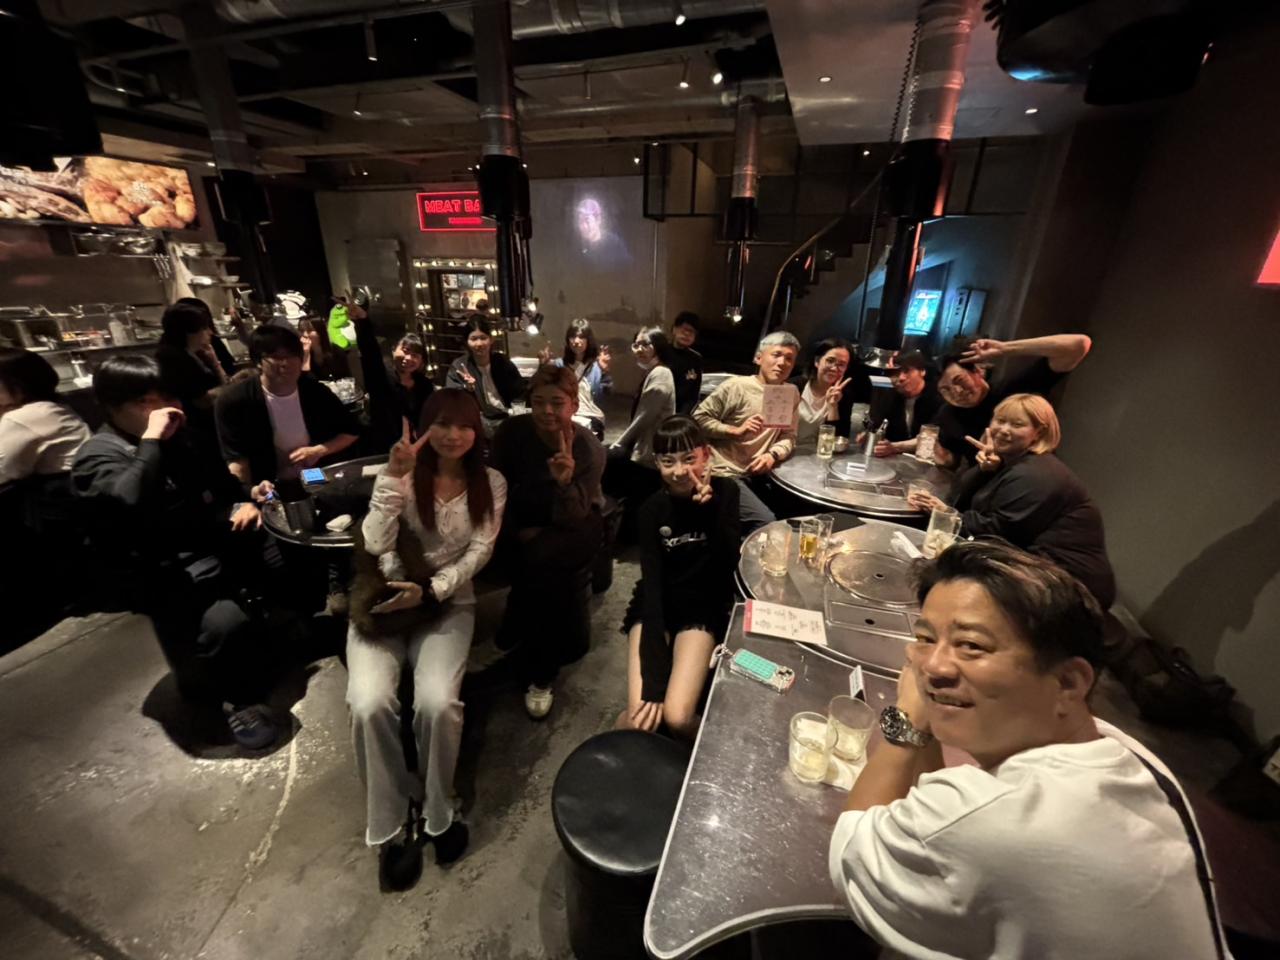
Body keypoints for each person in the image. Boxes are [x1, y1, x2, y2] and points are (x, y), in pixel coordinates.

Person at [829, 539, 1225, 960]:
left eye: (971, 645)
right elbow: (941, 814)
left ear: (1068, 683)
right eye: (925, 638)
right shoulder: (1125, 753)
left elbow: (852, 854)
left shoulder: (1006, 819)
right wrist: (926, 721)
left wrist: (906, 719)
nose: (933, 666)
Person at [71, 355, 282, 749]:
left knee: (283, 553)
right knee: (225, 622)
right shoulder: (99, 454)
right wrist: (151, 441)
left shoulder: (183, 438)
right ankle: (232, 701)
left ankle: (262, 653)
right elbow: (128, 501)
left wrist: (247, 500)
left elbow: (222, 487)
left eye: (168, 397)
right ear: (112, 406)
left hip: (210, 546)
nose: (164, 409)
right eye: (146, 402)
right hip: (160, 571)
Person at [345, 391, 506, 889]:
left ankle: (440, 808)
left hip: (448, 601)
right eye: (441, 424)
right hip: (385, 602)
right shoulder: (398, 472)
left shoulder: (491, 483)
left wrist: (432, 591)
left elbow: (480, 551)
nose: (452, 435)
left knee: (437, 703)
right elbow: (375, 542)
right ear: (422, 427)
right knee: (368, 703)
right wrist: (392, 480)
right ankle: (391, 823)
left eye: (463, 425)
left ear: (477, 430)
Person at [908, 393, 1116, 609]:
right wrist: (984, 469)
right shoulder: (1011, 463)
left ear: (1038, 432)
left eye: (1017, 424)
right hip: (1036, 570)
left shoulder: (1036, 474)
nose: (1003, 430)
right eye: (1000, 420)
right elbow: (959, 499)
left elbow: (999, 533)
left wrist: (947, 514)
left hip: (1071, 587)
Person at [492, 364, 605, 720]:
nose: (547, 411)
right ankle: (516, 616)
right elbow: (496, 487)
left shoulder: (587, 448)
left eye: (557, 403)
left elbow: (574, 515)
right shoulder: (512, 432)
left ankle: (541, 672)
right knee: (521, 557)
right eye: (538, 401)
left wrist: (564, 481)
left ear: (574, 404)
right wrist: (516, 530)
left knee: (542, 568)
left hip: (576, 523)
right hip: (522, 519)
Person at [618, 417, 738, 739]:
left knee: (678, 718)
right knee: (641, 721)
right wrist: (654, 682)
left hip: (702, 606)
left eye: (689, 459)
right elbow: (653, 588)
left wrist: (709, 511)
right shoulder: (650, 510)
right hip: (657, 603)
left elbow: (729, 562)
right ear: (656, 462)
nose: (680, 471)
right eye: (668, 461)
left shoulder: (726, 491)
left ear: (706, 455)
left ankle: (714, 748)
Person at [214, 324, 360, 492]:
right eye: (276, 357)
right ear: (258, 361)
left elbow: (351, 431)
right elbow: (237, 460)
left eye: (292, 356)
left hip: (314, 476)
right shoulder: (234, 400)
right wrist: (249, 491)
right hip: (268, 484)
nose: (286, 363)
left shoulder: (313, 390)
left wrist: (318, 451)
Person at [929, 333, 1091, 467]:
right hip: (989, 486)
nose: (956, 391)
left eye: (959, 380)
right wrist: (944, 458)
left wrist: (1005, 348)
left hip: (1031, 476)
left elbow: (1079, 344)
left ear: (978, 370)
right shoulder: (948, 415)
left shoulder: (1014, 390)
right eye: (945, 390)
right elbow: (952, 456)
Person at [693, 330, 800, 532]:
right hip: (723, 471)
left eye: (789, 358)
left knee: (795, 513)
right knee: (765, 523)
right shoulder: (736, 386)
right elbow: (698, 420)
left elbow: (789, 436)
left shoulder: (791, 393)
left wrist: (772, 454)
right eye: (776, 355)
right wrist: (733, 431)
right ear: (759, 358)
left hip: (759, 473)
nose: (782, 363)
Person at [0, 348, 90, 486]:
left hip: (66, 492)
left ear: (18, 387)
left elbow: (8, 472)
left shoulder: (22, 417)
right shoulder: (53, 406)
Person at [606, 327, 677, 499]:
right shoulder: (654, 372)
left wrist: (620, 443)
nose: (639, 349)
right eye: (636, 345)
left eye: (645, 344)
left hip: (649, 451)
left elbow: (645, 416)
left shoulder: (661, 373)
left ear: (658, 346)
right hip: (646, 448)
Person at [353, 306, 435, 452]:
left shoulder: (425, 385)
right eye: (405, 351)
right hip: (382, 446)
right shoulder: (381, 376)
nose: (408, 358)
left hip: (414, 448)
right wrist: (362, 321)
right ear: (393, 350)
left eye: (415, 355)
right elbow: (370, 353)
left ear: (422, 361)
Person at [155, 300, 229, 444]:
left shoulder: (198, 352)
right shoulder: (171, 357)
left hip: (210, 423)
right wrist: (233, 388)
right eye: (204, 328)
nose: (210, 332)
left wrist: (215, 362)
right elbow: (202, 401)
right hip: (193, 431)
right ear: (189, 331)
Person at [445, 317, 525, 436]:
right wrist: (467, 388)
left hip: (507, 416)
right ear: (467, 342)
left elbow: (519, 391)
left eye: (483, 338)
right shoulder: (459, 366)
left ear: (491, 339)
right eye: (473, 339)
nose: (479, 344)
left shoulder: (502, 362)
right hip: (478, 422)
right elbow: (452, 399)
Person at [870, 350, 942, 453]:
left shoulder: (937, 397)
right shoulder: (889, 395)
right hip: (896, 459)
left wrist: (895, 447)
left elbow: (929, 438)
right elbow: (878, 427)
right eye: (895, 373)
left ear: (922, 371)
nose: (901, 378)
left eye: (907, 371)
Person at [551, 318, 611, 439]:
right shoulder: (559, 364)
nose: (576, 341)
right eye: (572, 337)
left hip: (590, 416)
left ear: (588, 340)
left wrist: (604, 372)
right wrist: (543, 367)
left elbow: (603, 397)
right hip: (565, 414)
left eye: (581, 337)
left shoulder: (596, 366)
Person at [791, 337, 858, 444]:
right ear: (817, 361)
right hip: (787, 447)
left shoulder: (844, 394)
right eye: (830, 361)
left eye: (841, 365)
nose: (834, 368)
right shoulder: (793, 386)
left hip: (819, 451)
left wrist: (833, 406)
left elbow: (839, 439)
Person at [668, 311, 704, 415]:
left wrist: (682, 416)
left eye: (692, 332)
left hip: (681, 413)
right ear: (674, 329)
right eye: (684, 329)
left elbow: (693, 394)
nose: (687, 334)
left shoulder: (696, 359)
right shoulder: (662, 352)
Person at [298, 317, 350, 382]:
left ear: (320, 332)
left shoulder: (336, 351)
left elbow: (347, 378)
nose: (305, 334)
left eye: (309, 331)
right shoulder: (298, 354)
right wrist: (306, 354)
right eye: (301, 331)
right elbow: (302, 380)